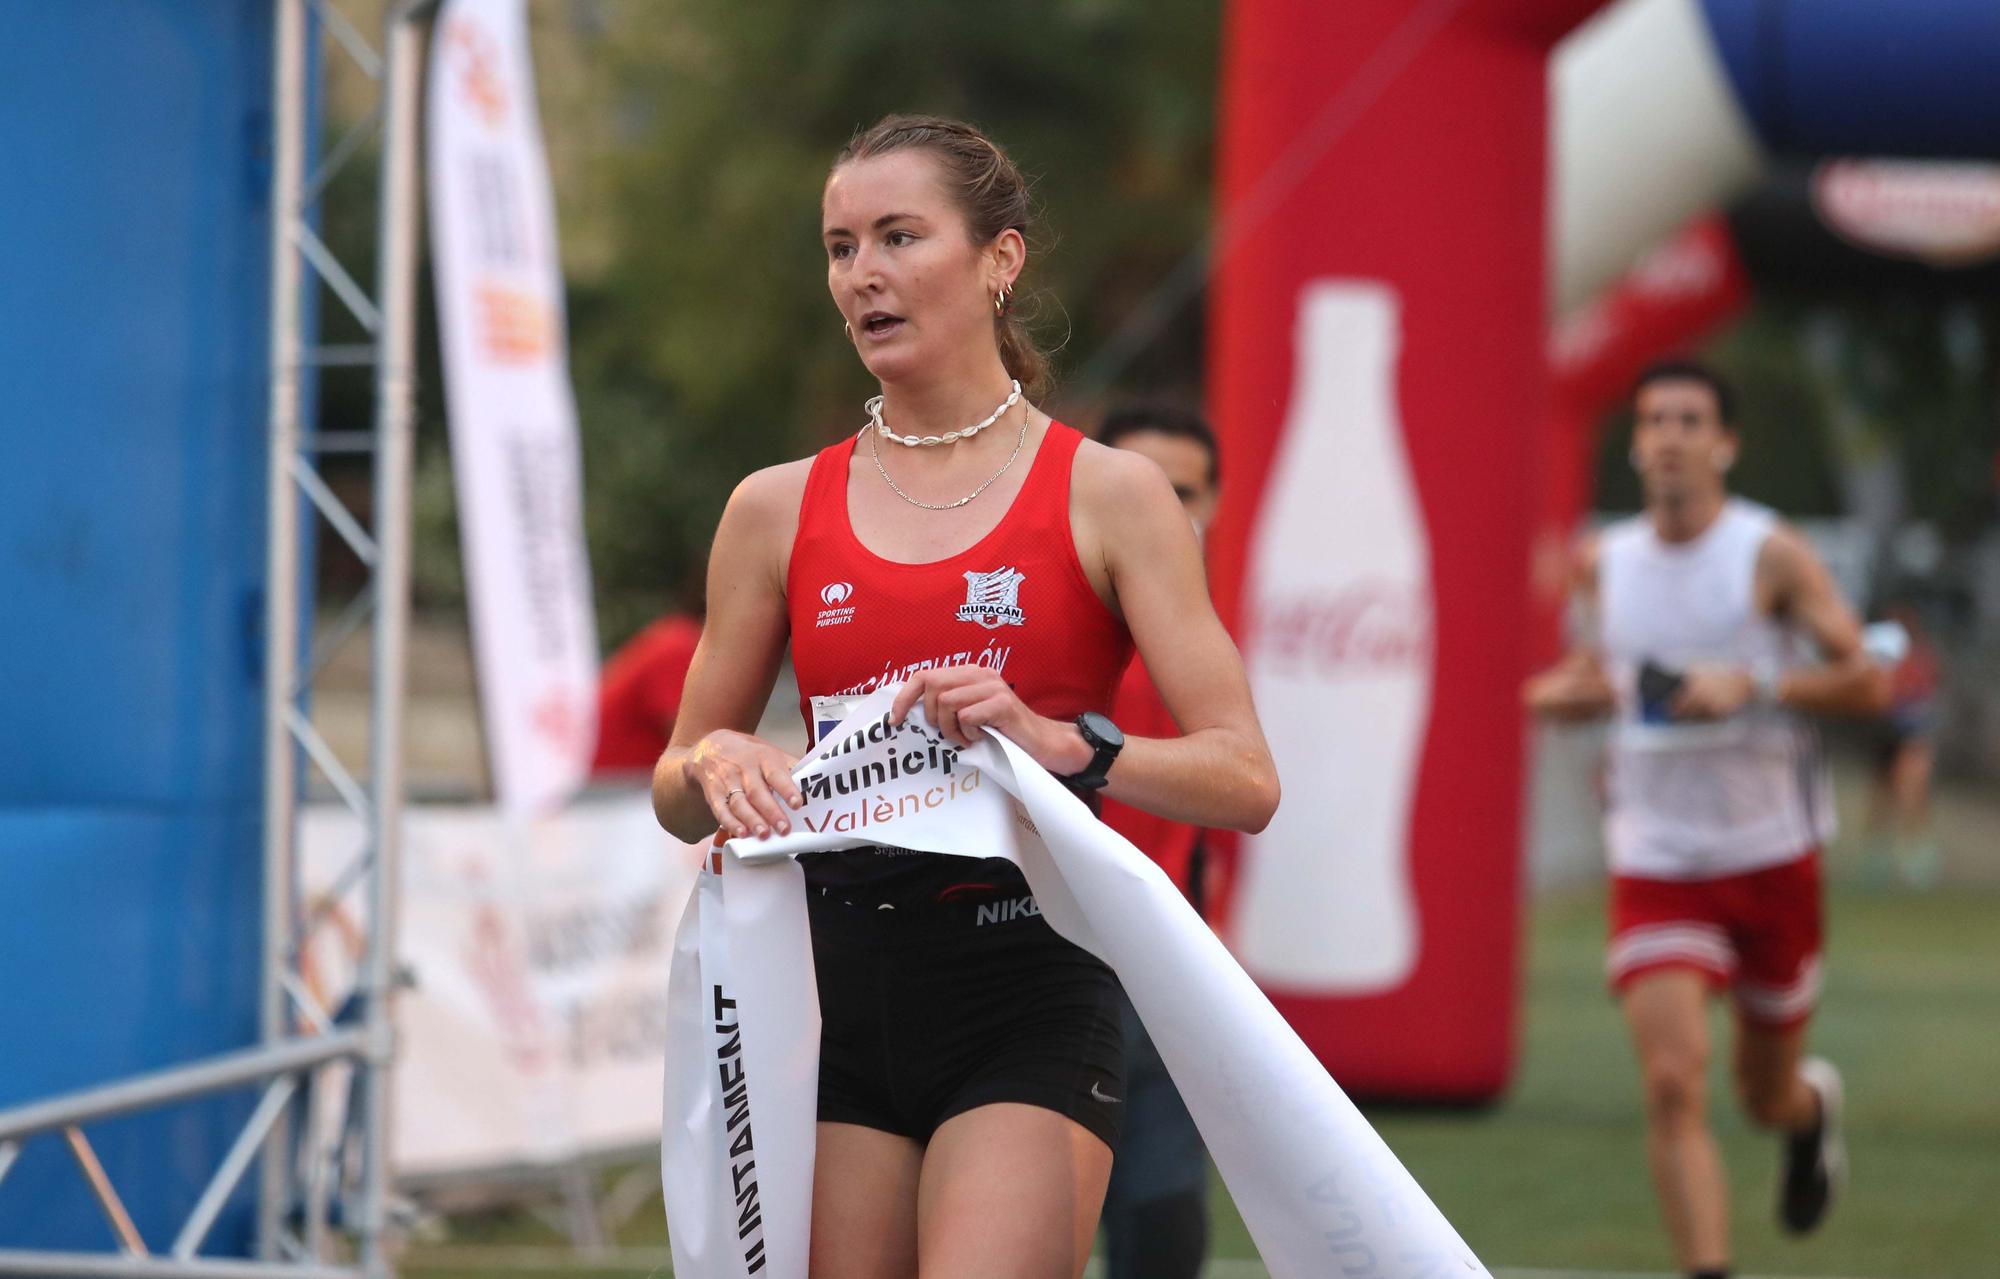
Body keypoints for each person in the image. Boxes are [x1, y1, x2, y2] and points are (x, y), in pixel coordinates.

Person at [649, 115, 1279, 1279]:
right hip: (825, 992)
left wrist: (1064, 744)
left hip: (1026, 980)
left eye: (899, 236)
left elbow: (1244, 779)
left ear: (1000, 259)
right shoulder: (774, 508)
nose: (863, 275)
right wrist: (715, 765)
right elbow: (674, 784)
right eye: (841, 247)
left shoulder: (1113, 494)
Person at [1524, 359, 1889, 1279]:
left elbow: (1870, 676)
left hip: (1769, 852)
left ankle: (1808, 1117)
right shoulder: (1602, 561)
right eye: (1654, 420)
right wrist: (1572, 695)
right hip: (1655, 853)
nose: (1672, 437)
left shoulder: (1768, 552)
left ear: (1725, 443)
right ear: (1637, 445)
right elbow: (1576, 679)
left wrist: (1757, 683)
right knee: (1672, 1080)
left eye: (1691, 420)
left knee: (1760, 1094)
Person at [1093, 401, 1222, 1279]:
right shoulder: (1042, 623)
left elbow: (1245, 804)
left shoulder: (1208, 646)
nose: (1160, 510)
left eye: (1181, 492)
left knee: (1165, 1236)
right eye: (1139, 486)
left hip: (1172, 977)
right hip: (1043, 967)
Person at [1862, 600, 1942, 888]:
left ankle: (1917, 858)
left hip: (1912, 733)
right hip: (1887, 732)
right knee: (1882, 796)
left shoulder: (1919, 657)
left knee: (1911, 792)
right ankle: (1878, 859)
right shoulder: (1875, 655)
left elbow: (1922, 691)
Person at [590, 611, 702, 776]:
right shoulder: (680, 647)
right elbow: (697, 745)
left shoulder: (675, 635)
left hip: (616, 783)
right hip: (605, 787)